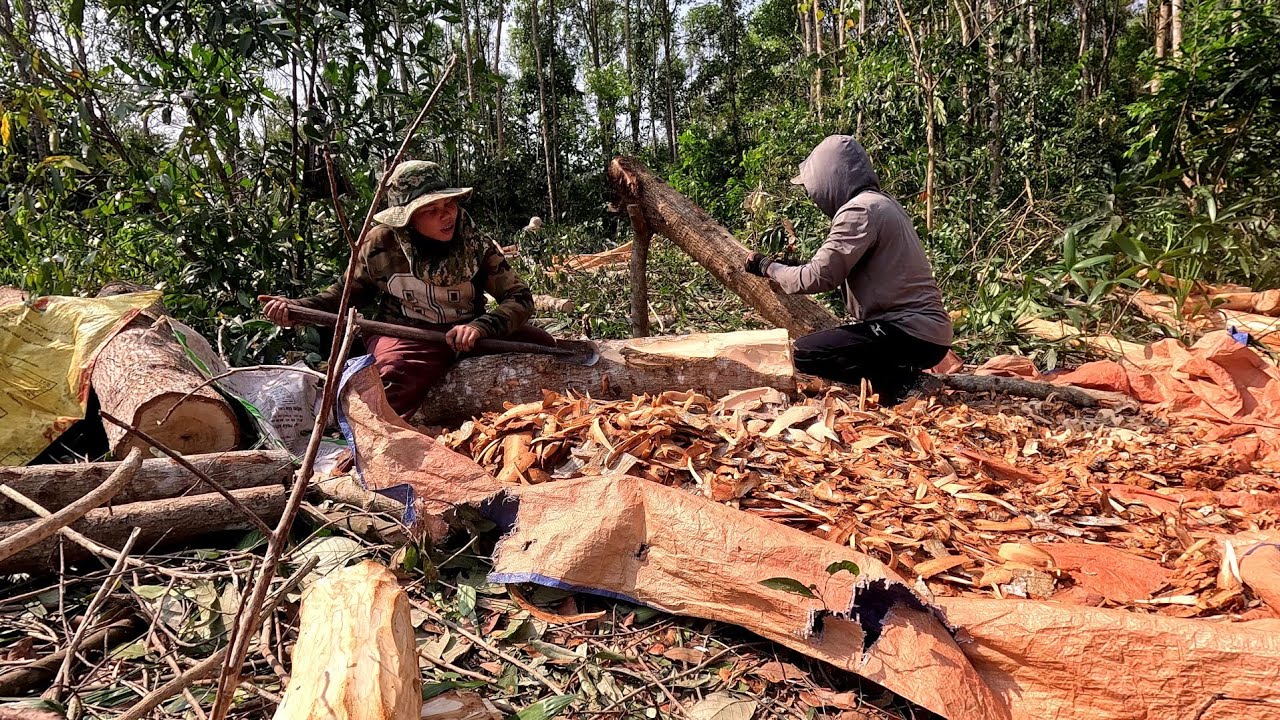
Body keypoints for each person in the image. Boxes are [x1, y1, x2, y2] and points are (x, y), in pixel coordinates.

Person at [261, 160, 554, 418]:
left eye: (449, 205)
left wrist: (481, 326)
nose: (446, 215)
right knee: (393, 376)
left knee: (545, 347)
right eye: (431, 210)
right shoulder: (378, 245)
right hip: (407, 334)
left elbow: (520, 298)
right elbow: (344, 296)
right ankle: (374, 440)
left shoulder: (476, 244)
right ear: (408, 218)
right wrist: (297, 309)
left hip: (468, 333)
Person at [745, 135, 952, 405]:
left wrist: (767, 267)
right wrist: (789, 268)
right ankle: (901, 379)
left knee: (806, 353)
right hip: (924, 333)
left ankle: (904, 385)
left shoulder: (859, 210)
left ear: (830, 178)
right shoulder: (881, 204)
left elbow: (819, 277)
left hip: (908, 332)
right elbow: (835, 267)